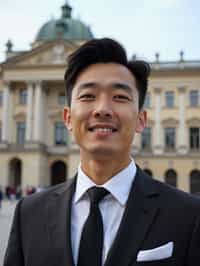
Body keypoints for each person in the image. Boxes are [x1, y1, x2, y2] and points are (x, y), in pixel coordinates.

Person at [3, 38, 200, 266]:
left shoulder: (189, 215)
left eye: (120, 97)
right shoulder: (28, 214)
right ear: (67, 118)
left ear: (140, 119)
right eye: (88, 96)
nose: (103, 109)